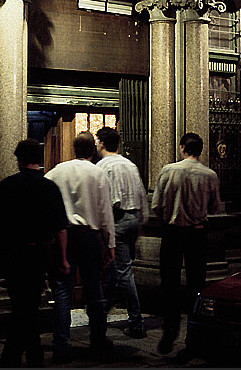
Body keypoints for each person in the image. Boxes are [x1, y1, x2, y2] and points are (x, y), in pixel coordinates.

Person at [0, 138, 70, 368]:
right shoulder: (49, 187)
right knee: (27, 305)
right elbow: (60, 228)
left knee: (21, 304)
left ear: (19, 160)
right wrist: (63, 259)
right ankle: (32, 355)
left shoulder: (7, 185)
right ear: (39, 161)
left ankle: (15, 356)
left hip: (11, 254)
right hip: (38, 254)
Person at [44, 131, 116, 364]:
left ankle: (60, 344)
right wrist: (110, 243)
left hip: (63, 235)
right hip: (89, 236)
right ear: (92, 150)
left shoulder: (56, 171)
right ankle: (98, 339)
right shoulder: (97, 173)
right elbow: (106, 212)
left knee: (62, 290)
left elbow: (47, 200)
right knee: (94, 288)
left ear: (74, 149)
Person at [151, 132, 222, 355]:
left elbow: (156, 205)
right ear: (200, 150)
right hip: (197, 234)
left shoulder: (168, 170)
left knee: (169, 283)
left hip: (172, 233)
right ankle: (194, 335)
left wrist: (168, 218)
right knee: (196, 285)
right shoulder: (209, 175)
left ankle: (170, 330)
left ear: (182, 147)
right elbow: (215, 208)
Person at [95, 126, 149, 339]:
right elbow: (141, 194)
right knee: (116, 269)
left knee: (123, 271)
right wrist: (142, 221)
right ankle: (102, 309)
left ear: (101, 143)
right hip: (133, 218)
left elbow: (111, 201)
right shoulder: (130, 165)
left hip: (118, 220)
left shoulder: (104, 167)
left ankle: (136, 322)